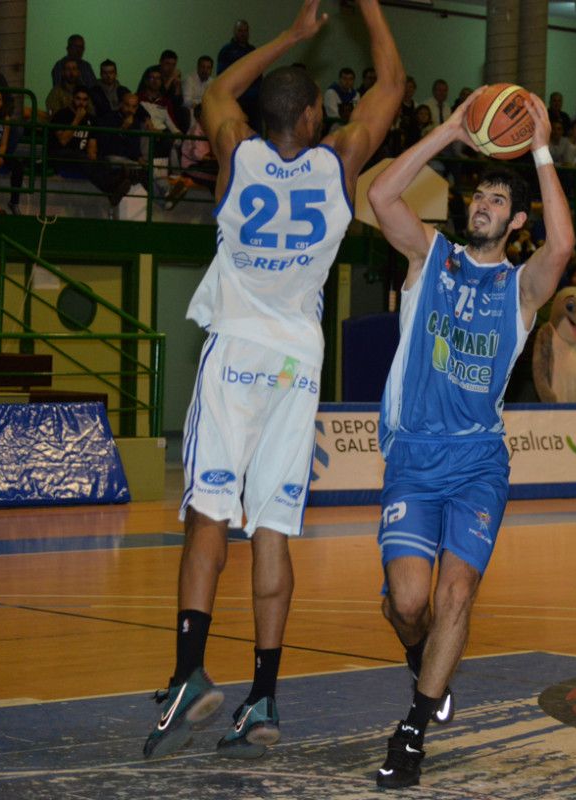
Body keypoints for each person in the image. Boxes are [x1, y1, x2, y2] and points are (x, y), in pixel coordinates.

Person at [142, 0, 403, 761]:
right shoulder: (340, 161)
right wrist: (370, 9)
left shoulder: (236, 151)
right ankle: (263, 698)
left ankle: (191, 672)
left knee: (207, 517)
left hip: (234, 356)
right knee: (274, 530)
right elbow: (392, 80)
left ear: (266, 117)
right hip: (297, 366)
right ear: (318, 118)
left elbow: (220, 92)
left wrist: (292, 35)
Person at [366, 81, 572, 789]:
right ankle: (422, 660)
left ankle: (415, 729)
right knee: (409, 604)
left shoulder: (521, 289)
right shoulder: (430, 258)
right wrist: (450, 130)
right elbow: (380, 198)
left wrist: (542, 149)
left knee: (455, 598)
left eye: (496, 202)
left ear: (516, 221)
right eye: (477, 198)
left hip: (479, 462)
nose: (482, 207)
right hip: (413, 457)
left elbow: (566, 243)